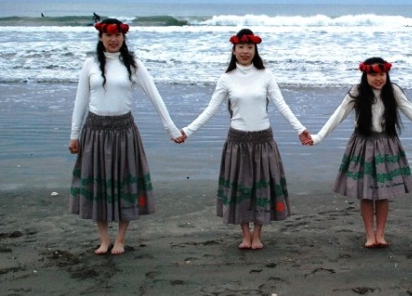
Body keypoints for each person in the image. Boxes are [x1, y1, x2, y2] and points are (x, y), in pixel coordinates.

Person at [174, 29, 311, 250]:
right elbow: (210, 109)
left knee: (261, 189)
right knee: (241, 189)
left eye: (249, 47)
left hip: (263, 141)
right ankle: (245, 235)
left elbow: (281, 105)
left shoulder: (266, 75)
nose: (245, 51)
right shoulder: (226, 78)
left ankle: (257, 235)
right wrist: (187, 131)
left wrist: (300, 129)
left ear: (255, 50)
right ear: (234, 50)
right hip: (237, 142)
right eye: (241, 47)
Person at [68, 18, 183, 255]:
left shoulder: (133, 65)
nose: (113, 40)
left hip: (124, 133)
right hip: (95, 133)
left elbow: (155, 96)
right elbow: (80, 101)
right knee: (99, 186)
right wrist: (74, 135)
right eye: (109, 35)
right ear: (101, 37)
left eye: (118, 36)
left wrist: (171, 129)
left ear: (123, 38)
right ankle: (104, 240)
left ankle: (120, 239)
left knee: (125, 185)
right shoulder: (90, 64)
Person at [309, 57, 412, 248]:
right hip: (363, 145)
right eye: (373, 75)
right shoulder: (357, 91)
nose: (378, 78)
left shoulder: (393, 91)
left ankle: (381, 234)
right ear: (365, 75)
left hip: (387, 144)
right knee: (366, 193)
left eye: (382, 74)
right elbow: (338, 115)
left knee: (383, 193)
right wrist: (318, 137)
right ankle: (370, 235)